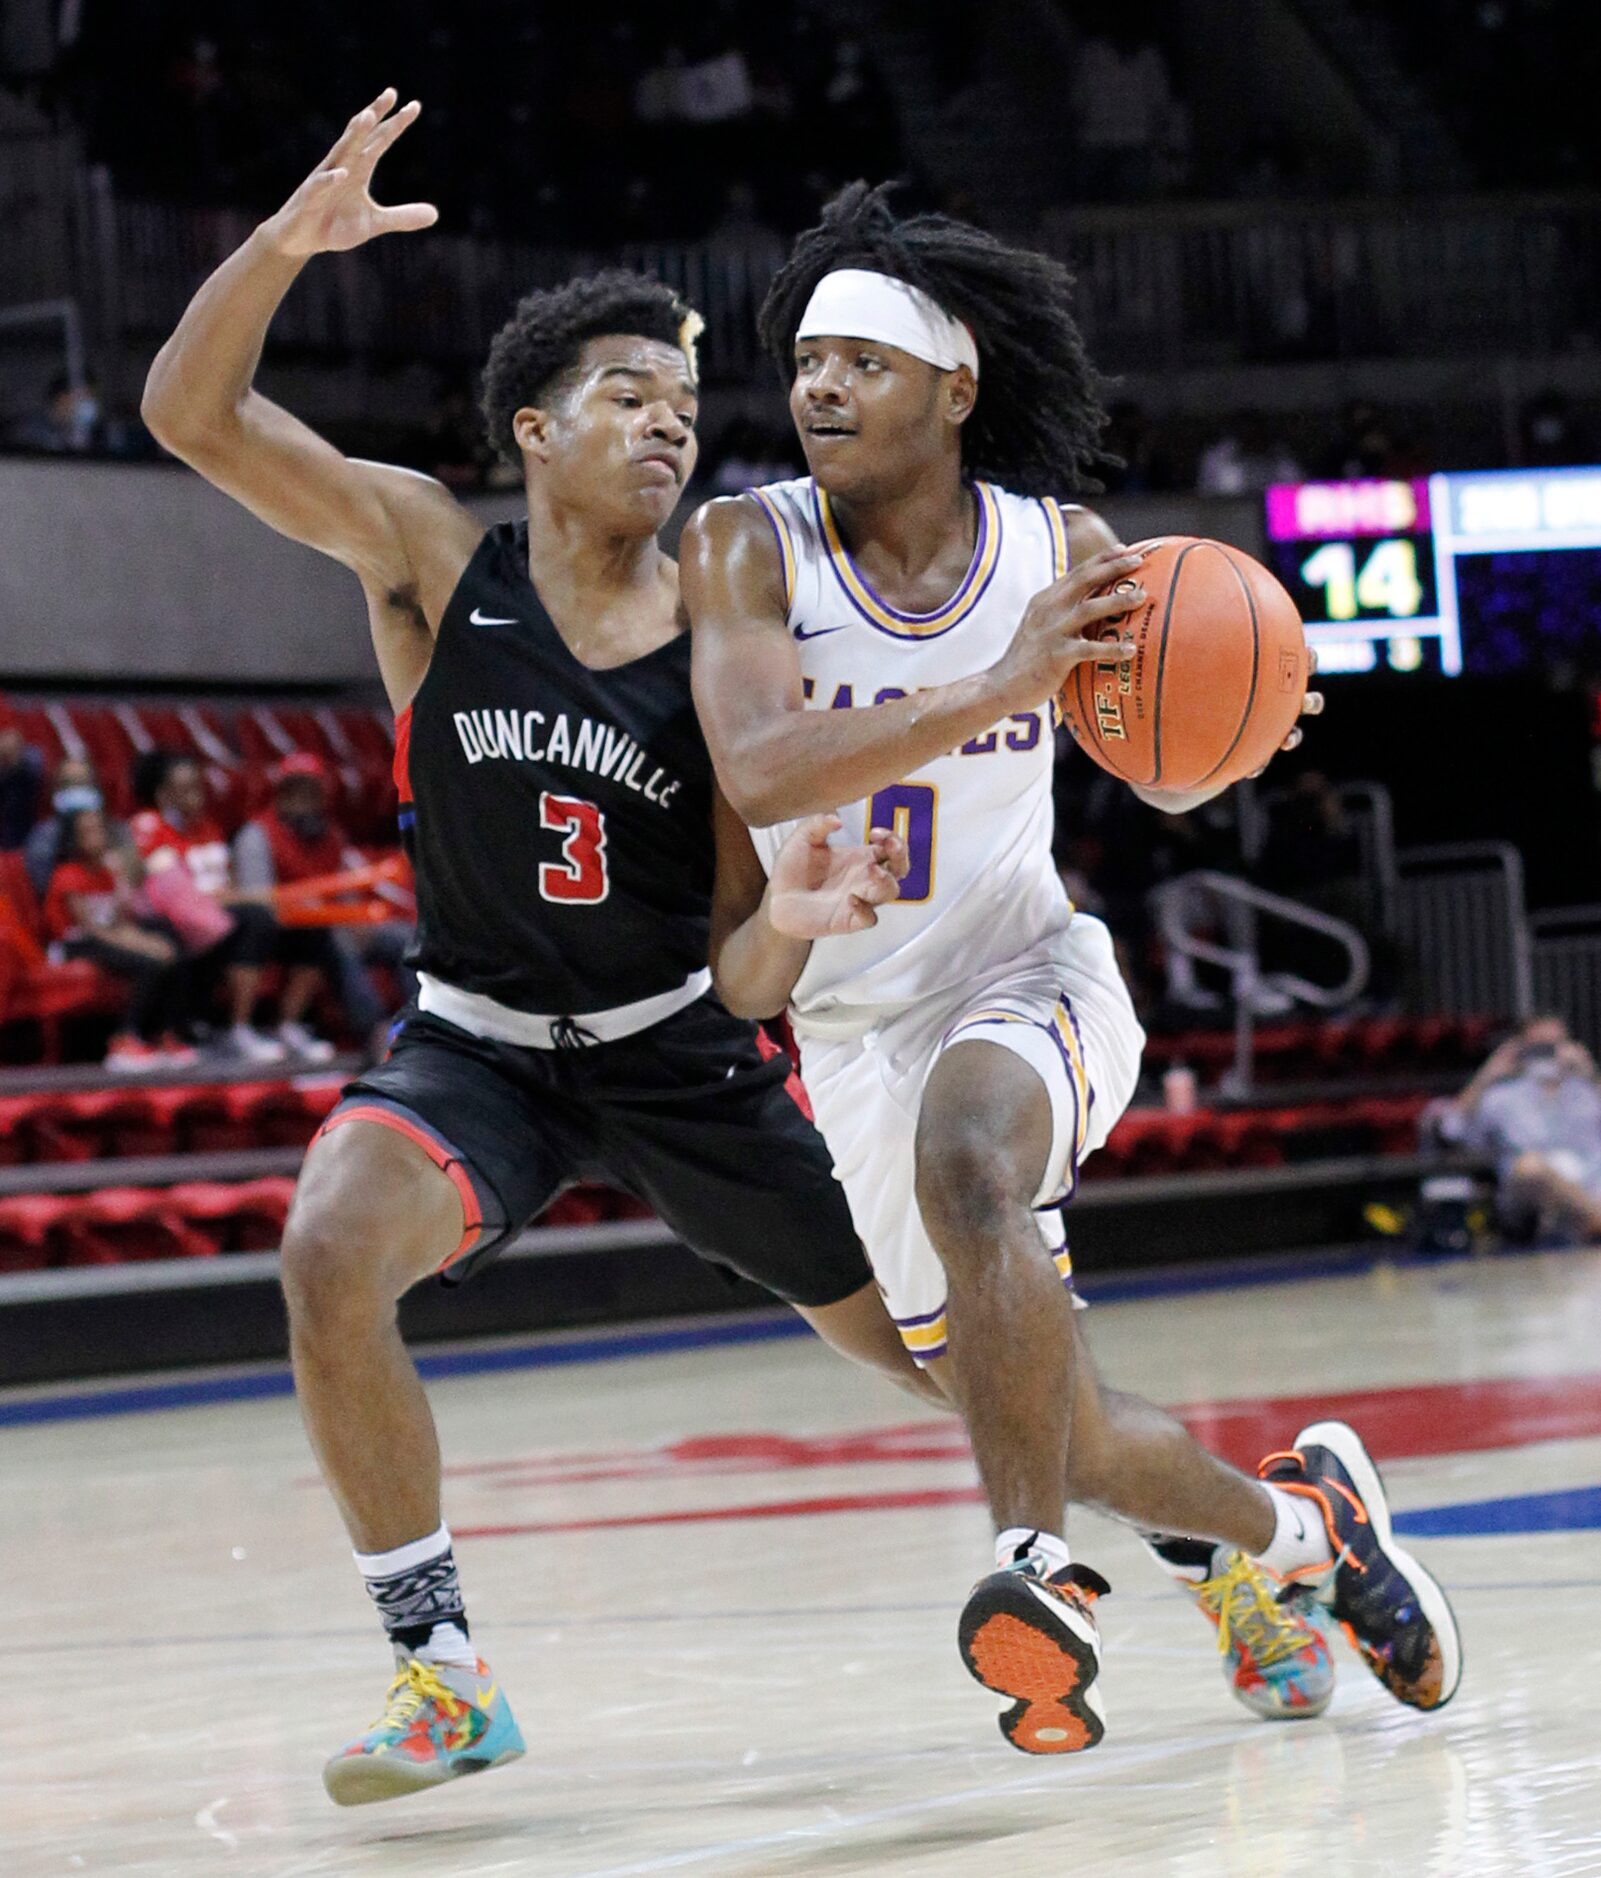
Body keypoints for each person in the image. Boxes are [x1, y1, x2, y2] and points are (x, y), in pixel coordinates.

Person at [140, 89, 959, 1808]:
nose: (669, 426)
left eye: (684, 402)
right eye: (626, 395)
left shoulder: (730, 639)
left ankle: (1231, 1549)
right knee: (323, 1250)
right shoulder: (437, 557)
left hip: (680, 1043)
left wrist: (791, 936)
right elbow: (188, 413)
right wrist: (290, 241)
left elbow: (746, 953)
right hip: (480, 1044)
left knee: (951, 1351)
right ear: (532, 425)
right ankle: (439, 1673)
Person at [683, 182, 1461, 1754]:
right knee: (1062, 1418)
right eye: (808, 360)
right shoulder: (742, 546)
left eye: (862, 362)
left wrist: (1232, 721)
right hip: (848, 1031)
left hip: (1027, 972)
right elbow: (763, 773)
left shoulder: (1065, 550)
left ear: (954, 390)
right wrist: (999, 679)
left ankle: (1030, 1573)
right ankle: (1301, 1532)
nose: (818, 387)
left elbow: (1160, 772)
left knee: (972, 1160)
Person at [132, 750, 335, 1063]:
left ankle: (288, 1026)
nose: (196, 796)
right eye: (185, 789)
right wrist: (247, 899)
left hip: (222, 919)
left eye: (198, 787)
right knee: (256, 919)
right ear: (163, 794)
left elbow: (227, 884)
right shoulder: (149, 828)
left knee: (310, 925)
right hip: (180, 926)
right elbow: (180, 899)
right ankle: (238, 1029)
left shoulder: (209, 827)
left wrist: (245, 897)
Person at [42, 804, 196, 1072]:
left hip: (108, 935)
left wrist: (120, 878)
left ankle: (166, 1034)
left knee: (172, 947)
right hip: (75, 943)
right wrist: (142, 946)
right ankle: (124, 1040)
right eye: (88, 831)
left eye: (100, 829)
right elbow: (90, 929)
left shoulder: (106, 871)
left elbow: (121, 918)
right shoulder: (68, 874)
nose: (97, 836)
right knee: (150, 961)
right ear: (73, 839)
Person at [1429, 1016, 1601, 1243]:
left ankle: (1592, 1220)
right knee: (1530, 1167)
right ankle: (1595, 1220)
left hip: (1590, 1182)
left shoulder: (1586, 1090)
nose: (1549, 1053)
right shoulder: (1503, 1095)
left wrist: (1591, 1073)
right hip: (1527, 1195)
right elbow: (1452, 1129)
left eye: (1556, 1045)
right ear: (1521, 1048)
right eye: (1540, 1046)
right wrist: (1486, 1076)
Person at [24, 757, 131, 898]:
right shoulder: (44, 836)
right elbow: (44, 885)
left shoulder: (116, 828)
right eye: (69, 784)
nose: (77, 789)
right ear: (56, 790)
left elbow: (135, 873)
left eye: (83, 783)